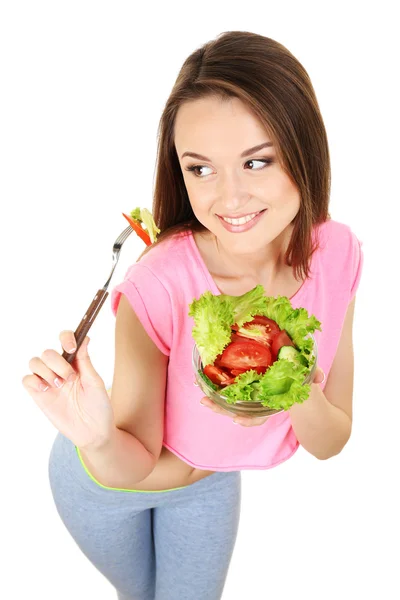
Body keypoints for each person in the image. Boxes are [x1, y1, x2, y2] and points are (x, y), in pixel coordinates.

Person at [21, 30, 363, 600]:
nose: (228, 199)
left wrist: (293, 384)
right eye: (200, 169)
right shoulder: (158, 283)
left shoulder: (339, 255)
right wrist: (97, 436)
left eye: (257, 162)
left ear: (305, 150)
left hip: (209, 484)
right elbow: (130, 461)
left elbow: (331, 441)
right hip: (109, 481)